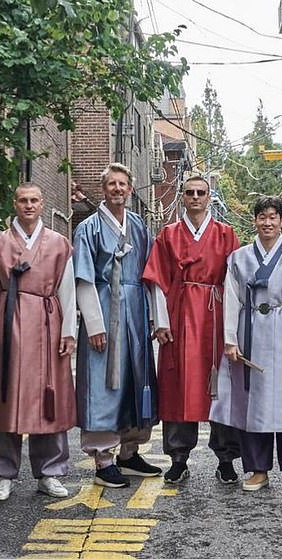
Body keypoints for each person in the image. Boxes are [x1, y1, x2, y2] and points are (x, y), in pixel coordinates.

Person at [210, 196, 282, 492]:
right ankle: (257, 469)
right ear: (254, 221)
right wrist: (230, 340)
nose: (268, 222)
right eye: (262, 217)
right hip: (251, 332)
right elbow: (231, 299)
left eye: (273, 217)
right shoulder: (239, 257)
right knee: (252, 404)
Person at [0, 182, 77, 502]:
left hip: (48, 324)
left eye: (34, 200)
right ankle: (2, 473)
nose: (29, 206)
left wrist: (69, 331)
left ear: (42, 203)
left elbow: (67, 290)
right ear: (14, 203)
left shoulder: (59, 244)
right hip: (8, 326)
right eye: (23, 200)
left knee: (50, 396)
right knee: (3, 397)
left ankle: (49, 473)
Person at [143, 176, 241, 485]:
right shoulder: (168, 234)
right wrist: (160, 321)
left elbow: (237, 284)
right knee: (177, 385)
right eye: (189, 192)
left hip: (216, 313)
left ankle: (226, 458)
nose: (195, 197)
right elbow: (156, 280)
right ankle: (178, 457)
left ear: (209, 197)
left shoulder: (226, 234)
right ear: (182, 197)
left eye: (201, 192)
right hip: (180, 312)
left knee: (220, 387)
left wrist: (235, 329)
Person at [73, 163, 160, 488]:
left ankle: (129, 451)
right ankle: (103, 459)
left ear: (130, 188)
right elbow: (83, 278)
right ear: (104, 189)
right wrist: (93, 324)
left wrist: (154, 316)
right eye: (112, 184)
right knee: (103, 383)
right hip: (104, 309)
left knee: (136, 380)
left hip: (134, 313)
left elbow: (151, 276)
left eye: (123, 184)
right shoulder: (89, 228)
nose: (118, 189)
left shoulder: (138, 226)